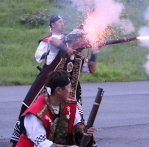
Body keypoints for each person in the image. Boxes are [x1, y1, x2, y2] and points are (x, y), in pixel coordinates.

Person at [11, 16, 100, 146]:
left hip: (71, 92)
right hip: (51, 88)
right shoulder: (58, 44)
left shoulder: (79, 56)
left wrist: (95, 51)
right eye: (80, 40)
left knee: (78, 124)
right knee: (35, 113)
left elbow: (91, 69)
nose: (82, 43)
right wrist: (67, 50)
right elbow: (53, 40)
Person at [16, 70, 95, 147]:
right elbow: (41, 143)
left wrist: (83, 129)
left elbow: (76, 125)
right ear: (58, 90)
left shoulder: (71, 104)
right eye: (69, 87)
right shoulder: (35, 113)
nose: (71, 90)